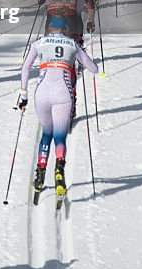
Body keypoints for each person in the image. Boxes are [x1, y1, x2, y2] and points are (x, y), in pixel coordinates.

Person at [18, 18, 98, 198]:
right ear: (66, 29)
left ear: (49, 29)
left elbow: (24, 69)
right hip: (63, 94)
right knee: (60, 137)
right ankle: (59, 169)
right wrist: (78, 55)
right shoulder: (72, 43)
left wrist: (23, 95)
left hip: (42, 94)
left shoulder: (38, 43)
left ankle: (40, 173)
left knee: (46, 134)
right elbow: (93, 68)